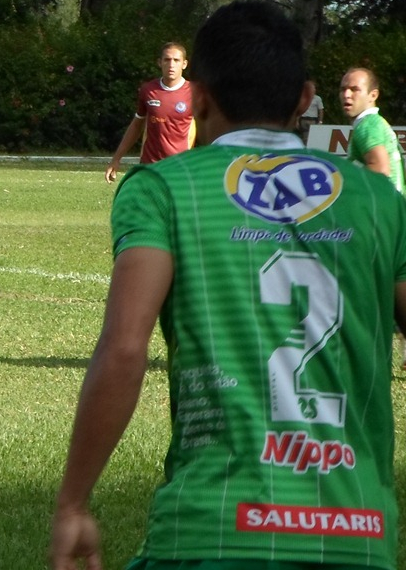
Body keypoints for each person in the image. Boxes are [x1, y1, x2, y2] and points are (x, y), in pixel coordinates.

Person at [49, 3, 406, 570]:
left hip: (212, 528)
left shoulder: (163, 189)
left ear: (198, 98)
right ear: (305, 98)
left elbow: (124, 348)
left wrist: (73, 502)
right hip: (356, 533)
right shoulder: (380, 201)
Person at [104, 42, 194, 183]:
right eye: (167, 60)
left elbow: (208, 129)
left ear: (184, 64)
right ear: (160, 62)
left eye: (176, 60)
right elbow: (136, 125)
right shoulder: (148, 90)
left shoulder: (194, 92)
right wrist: (116, 159)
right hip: (150, 166)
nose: (171, 65)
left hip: (180, 168)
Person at [341, 67, 403, 192]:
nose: (346, 95)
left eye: (354, 89)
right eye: (343, 89)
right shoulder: (375, 122)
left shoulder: (367, 125)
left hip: (382, 203)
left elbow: (380, 171)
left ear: (373, 95)